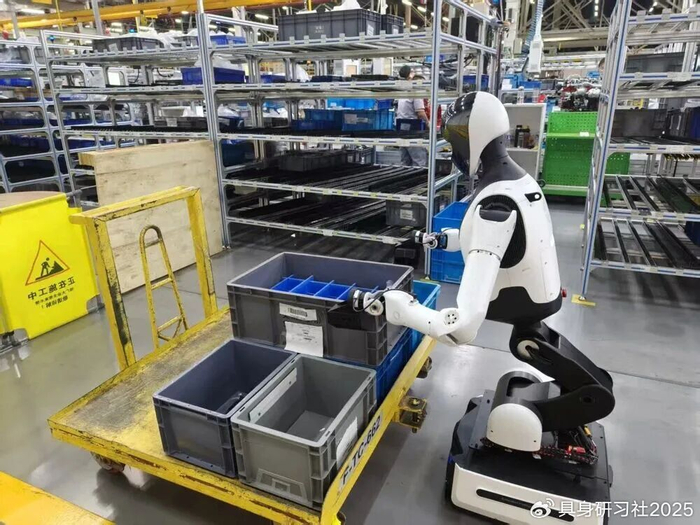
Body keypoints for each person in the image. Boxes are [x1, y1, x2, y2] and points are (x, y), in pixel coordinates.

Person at [397, 75, 430, 167]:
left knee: (405, 162)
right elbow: (420, 113)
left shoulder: (404, 93)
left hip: (401, 130)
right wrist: (429, 125)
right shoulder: (417, 94)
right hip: (413, 131)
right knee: (419, 162)